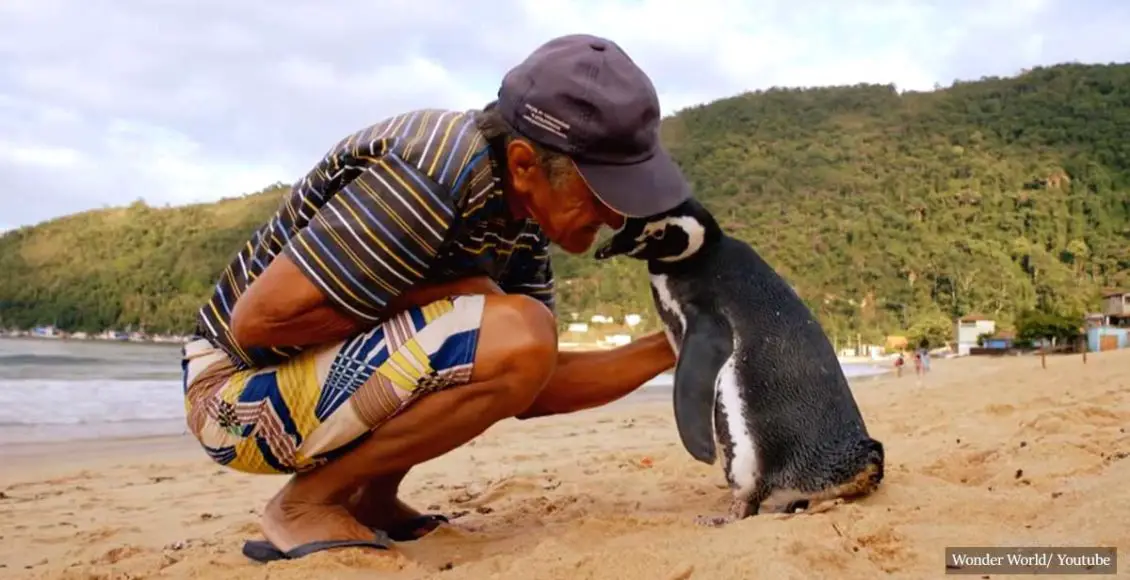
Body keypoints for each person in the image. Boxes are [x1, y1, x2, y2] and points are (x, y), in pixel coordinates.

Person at [179, 33, 691, 562]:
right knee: (511, 326)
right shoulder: (431, 169)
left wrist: (674, 345)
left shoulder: (522, 219)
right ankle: (307, 503)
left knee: (518, 332)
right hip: (232, 399)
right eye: (603, 193)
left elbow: (528, 380)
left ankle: (371, 498)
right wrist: (455, 293)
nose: (616, 216)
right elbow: (258, 325)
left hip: (302, 386)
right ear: (523, 164)